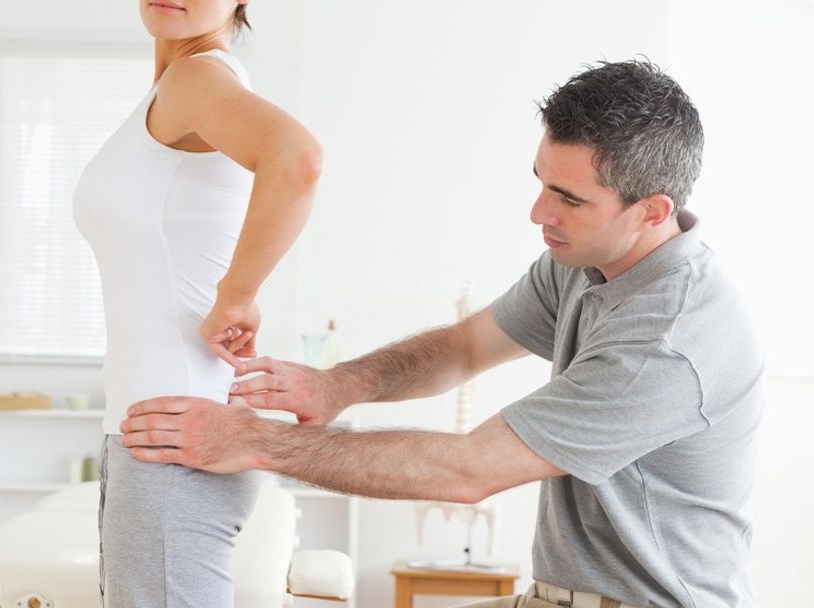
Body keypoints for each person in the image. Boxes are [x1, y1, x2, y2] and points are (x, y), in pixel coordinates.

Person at [120, 60, 763, 607]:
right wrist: (337, 386)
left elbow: (467, 472)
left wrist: (258, 442)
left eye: (568, 197)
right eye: (540, 182)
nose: (539, 213)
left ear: (652, 210)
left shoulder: (670, 339)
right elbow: (464, 346)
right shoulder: (587, 261)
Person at [72, 0, 322, 605]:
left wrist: (237, 294)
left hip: (174, 440)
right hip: (154, 432)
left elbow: (298, 157)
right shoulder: (177, 88)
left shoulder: (196, 77)